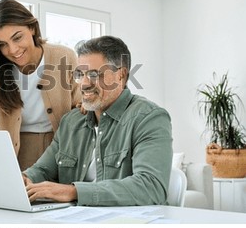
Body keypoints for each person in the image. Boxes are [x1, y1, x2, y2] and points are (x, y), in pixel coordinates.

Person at [23, 35, 173, 206]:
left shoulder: (149, 118)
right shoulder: (71, 122)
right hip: (74, 221)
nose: (84, 84)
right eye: (80, 74)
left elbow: (151, 187)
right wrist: (24, 179)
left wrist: (73, 192)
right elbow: (42, 170)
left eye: (94, 74)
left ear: (121, 76)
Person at [0, 0, 80, 171]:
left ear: (32, 27)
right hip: (15, 155)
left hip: (61, 151)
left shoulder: (65, 56)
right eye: (2, 45)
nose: (13, 50)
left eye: (17, 38)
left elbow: (80, 107)